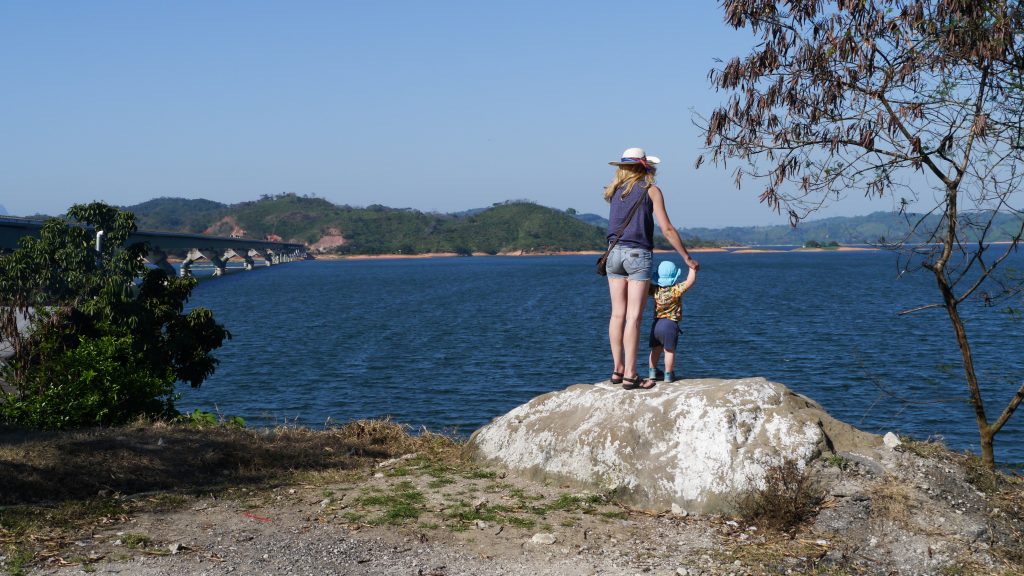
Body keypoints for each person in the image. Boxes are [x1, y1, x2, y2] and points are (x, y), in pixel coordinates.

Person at [602, 147, 699, 390]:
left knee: (617, 315)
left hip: (612, 253)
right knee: (633, 317)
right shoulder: (651, 190)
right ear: (646, 167)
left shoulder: (614, 191)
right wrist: (686, 257)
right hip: (637, 254)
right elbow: (667, 229)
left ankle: (617, 369)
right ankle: (631, 375)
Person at [642, 260, 697, 389]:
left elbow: (644, 284)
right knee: (669, 351)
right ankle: (668, 374)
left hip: (656, 324)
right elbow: (690, 281)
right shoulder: (676, 290)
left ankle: (652, 372)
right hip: (670, 324)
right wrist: (692, 268)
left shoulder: (655, 290)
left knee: (655, 349)